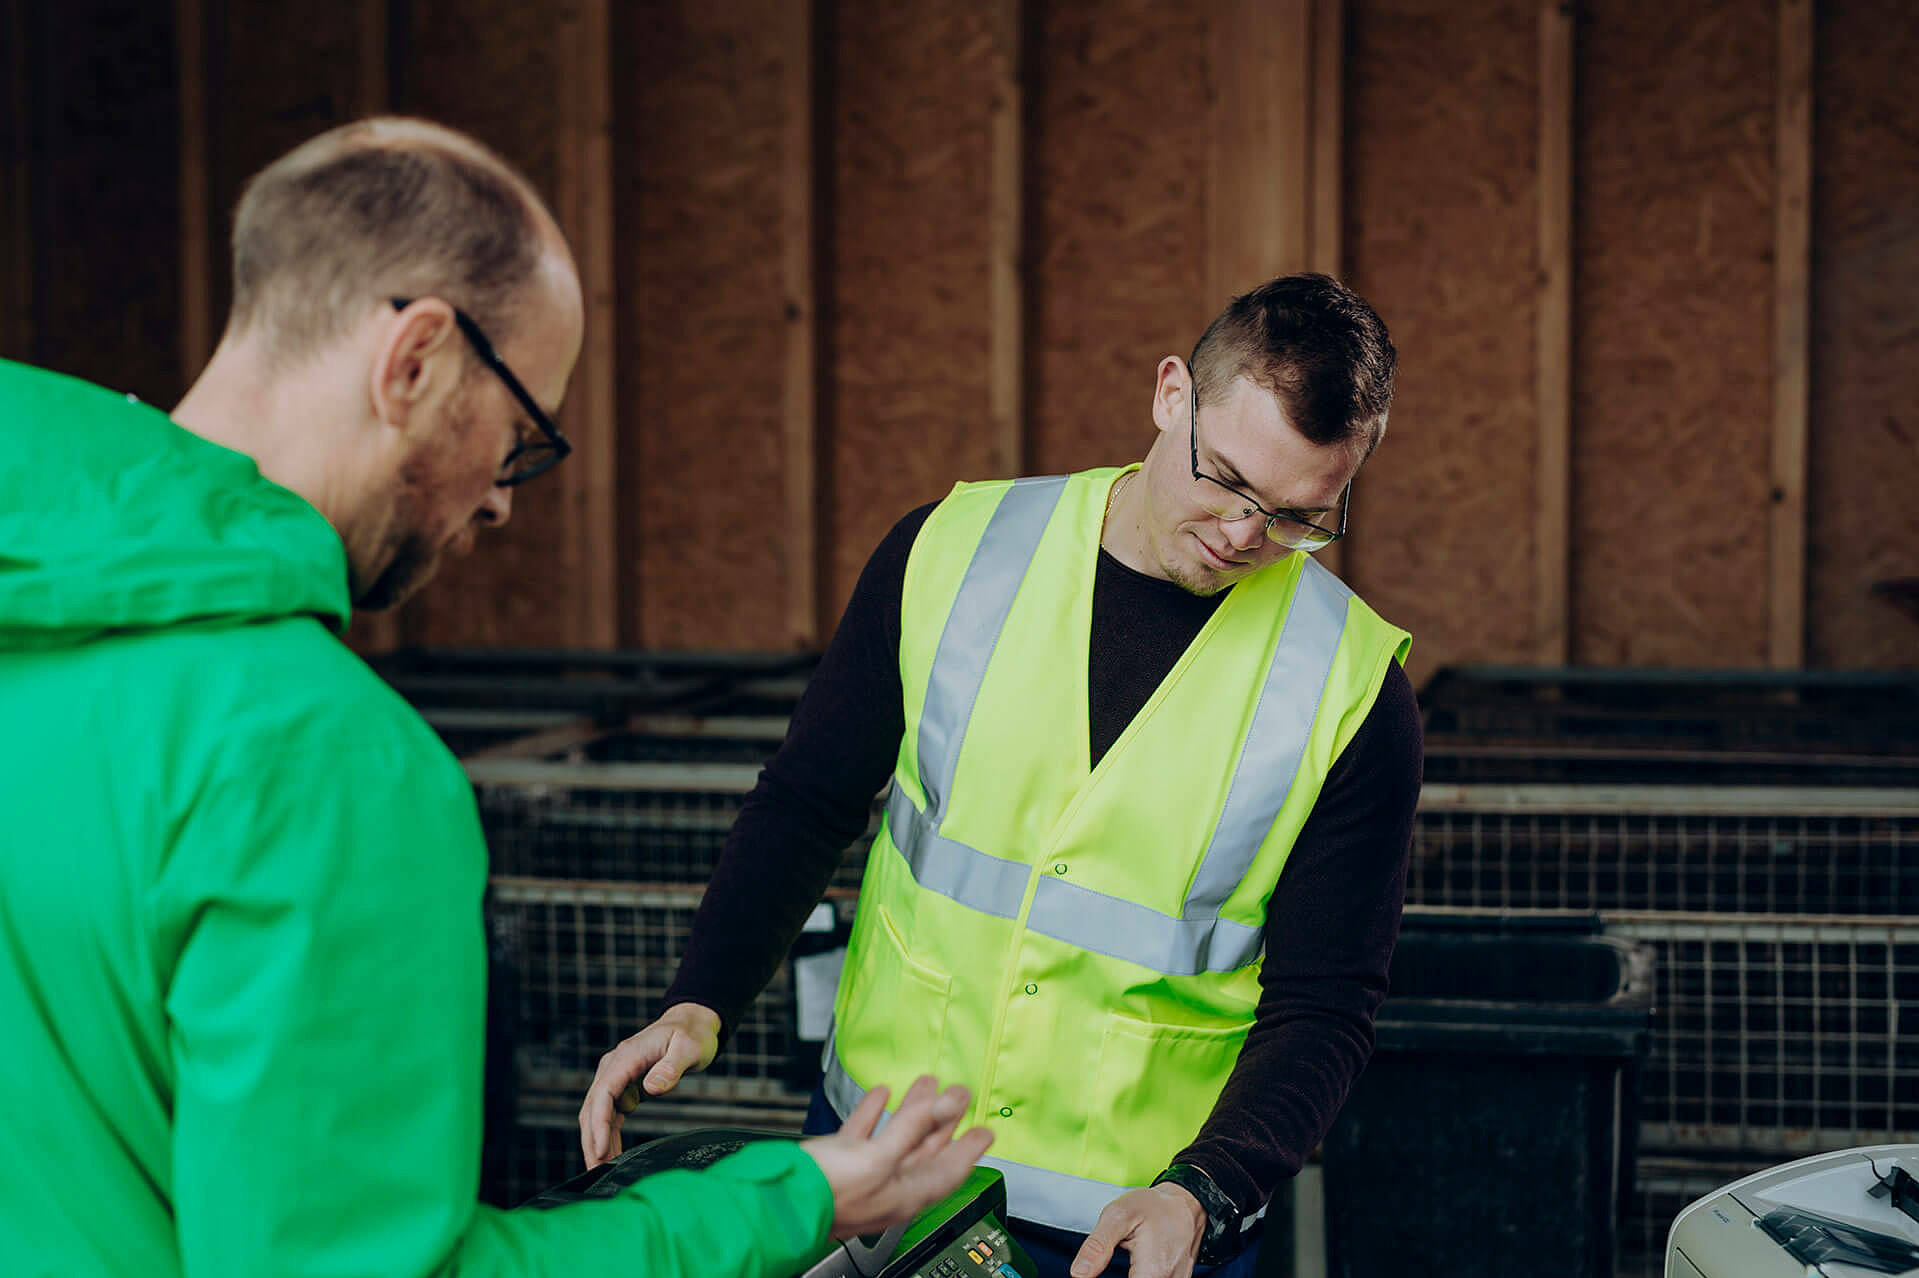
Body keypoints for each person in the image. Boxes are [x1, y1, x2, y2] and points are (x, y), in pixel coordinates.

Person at [0, 116, 990, 1278]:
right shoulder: (317, 758)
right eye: (520, 436)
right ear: (413, 359)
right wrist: (787, 1197)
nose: (502, 503)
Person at [580, 274, 1424, 1278]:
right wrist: (699, 999)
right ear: (1170, 397)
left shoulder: (1351, 692)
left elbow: (1324, 1003)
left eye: (1298, 516)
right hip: (880, 1175)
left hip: (1133, 1230)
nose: (1245, 535)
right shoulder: (948, 552)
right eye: (1226, 481)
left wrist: (1207, 1187)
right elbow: (807, 801)